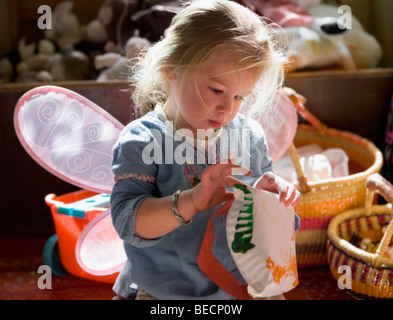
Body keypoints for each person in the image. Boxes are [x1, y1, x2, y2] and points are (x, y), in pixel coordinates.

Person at [110, 0, 301, 300]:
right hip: (163, 291)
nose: (228, 109)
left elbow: (265, 225)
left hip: (239, 285)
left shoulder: (249, 136)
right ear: (171, 69)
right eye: (216, 90)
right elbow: (128, 221)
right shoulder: (144, 140)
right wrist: (193, 200)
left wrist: (269, 197)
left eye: (240, 96)